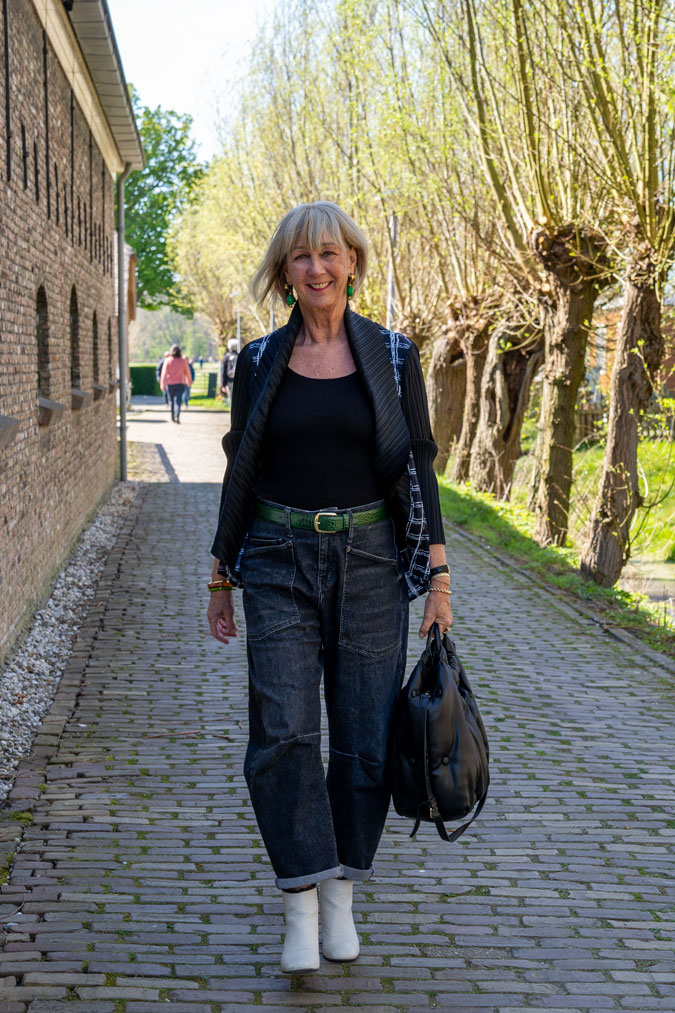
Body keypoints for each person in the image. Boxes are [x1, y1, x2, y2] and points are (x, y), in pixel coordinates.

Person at [206, 201, 452, 974]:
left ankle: (343, 892)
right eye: (301, 257)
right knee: (281, 731)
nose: (316, 268)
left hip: (374, 560)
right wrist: (221, 571)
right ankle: (300, 902)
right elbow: (240, 468)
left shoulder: (392, 353)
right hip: (276, 556)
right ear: (284, 272)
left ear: (352, 261)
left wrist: (438, 577)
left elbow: (417, 462)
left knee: (363, 739)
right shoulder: (255, 362)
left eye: (329, 253)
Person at [159, 345, 192, 423]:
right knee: (178, 401)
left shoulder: (168, 360)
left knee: (172, 401)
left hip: (170, 384)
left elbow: (164, 373)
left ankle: (173, 417)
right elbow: (187, 372)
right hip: (180, 383)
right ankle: (177, 416)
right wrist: (189, 381)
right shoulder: (183, 360)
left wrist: (162, 384)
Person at [220, 339, 239, 404]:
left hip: (229, 381)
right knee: (237, 399)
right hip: (238, 381)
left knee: (231, 399)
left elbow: (223, 372)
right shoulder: (239, 356)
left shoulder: (226, 357)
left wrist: (223, 384)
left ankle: (232, 413)